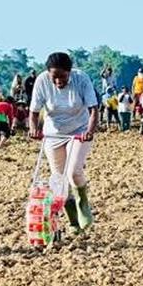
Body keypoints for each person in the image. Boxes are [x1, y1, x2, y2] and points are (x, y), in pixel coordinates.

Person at [29, 52, 99, 229]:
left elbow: (93, 109)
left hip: (79, 130)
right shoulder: (42, 81)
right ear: (48, 74)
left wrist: (90, 131)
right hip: (53, 134)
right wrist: (33, 128)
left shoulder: (81, 79)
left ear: (70, 72)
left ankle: (83, 202)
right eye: (55, 77)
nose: (59, 81)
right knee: (59, 180)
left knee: (74, 171)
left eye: (63, 76)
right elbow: (34, 112)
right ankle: (73, 222)